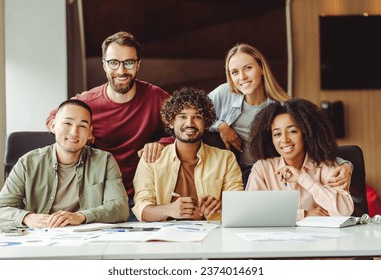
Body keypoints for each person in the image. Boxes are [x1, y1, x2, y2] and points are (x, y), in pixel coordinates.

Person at [45, 31, 173, 216]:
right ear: (104, 65)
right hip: (100, 199)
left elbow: (183, 127)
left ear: (138, 65)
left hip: (144, 197)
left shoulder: (155, 96)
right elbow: (53, 117)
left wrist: (162, 144)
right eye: (113, 63)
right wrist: (80, 135)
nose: (121, 71)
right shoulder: (88, 102)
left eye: (128, 63)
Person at [207, 43, 352, 187]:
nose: (242, 77)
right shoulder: (225, 93)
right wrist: (220, 125)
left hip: (274, 173)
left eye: (248, 68)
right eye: (235, 72)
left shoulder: (283, 106)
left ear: (262, 68)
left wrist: (345, 164)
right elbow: (193, 115)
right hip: (236, 172)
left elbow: (315, 143)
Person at [0, 100, 129, 228]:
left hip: (86, 239)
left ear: (89, 133)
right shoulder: (28, 163)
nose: (74, 132)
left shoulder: (104, 161)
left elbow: (120, 208)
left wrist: (81, 216)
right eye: (67, 123)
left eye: (82, 126)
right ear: (53, 126)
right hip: (40, 239)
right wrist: (27, 217)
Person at [132, 87, 243, 222]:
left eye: (197, 117)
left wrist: (221, 209)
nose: (189, 123)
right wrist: (169, 209)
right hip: (164, 237)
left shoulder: (225, 159)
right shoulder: (151, 158)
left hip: (212, 235)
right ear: (171, 122)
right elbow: (141, 209)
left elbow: (238, 206)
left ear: (205, 122)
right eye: (183, 117)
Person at [245, 98, 354, 220]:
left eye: (292, 131)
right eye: (277, 134)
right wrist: (304, 215)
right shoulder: (263, 169)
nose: (285, 140)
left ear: (306, 133)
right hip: (277, 238)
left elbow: (344, 212)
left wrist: (303, 178)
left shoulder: (325, 166)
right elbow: (252, 212)